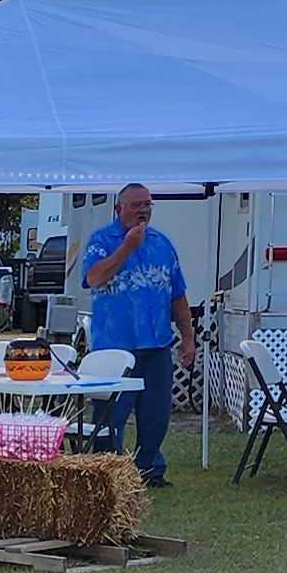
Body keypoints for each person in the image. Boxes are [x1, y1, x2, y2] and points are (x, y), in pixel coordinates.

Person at [77, 183, 197, 486]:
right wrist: (127, 247)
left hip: (156, 343)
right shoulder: (101, 240)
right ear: (119, 208)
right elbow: (94, 277)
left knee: (156, 414)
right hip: (115, 347)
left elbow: (178, 295)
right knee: (111, 415)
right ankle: (106, 473)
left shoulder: (162, 244)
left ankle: (149, 469)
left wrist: (188, 337)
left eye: (148, 204)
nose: (143, 210)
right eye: (136, 205)